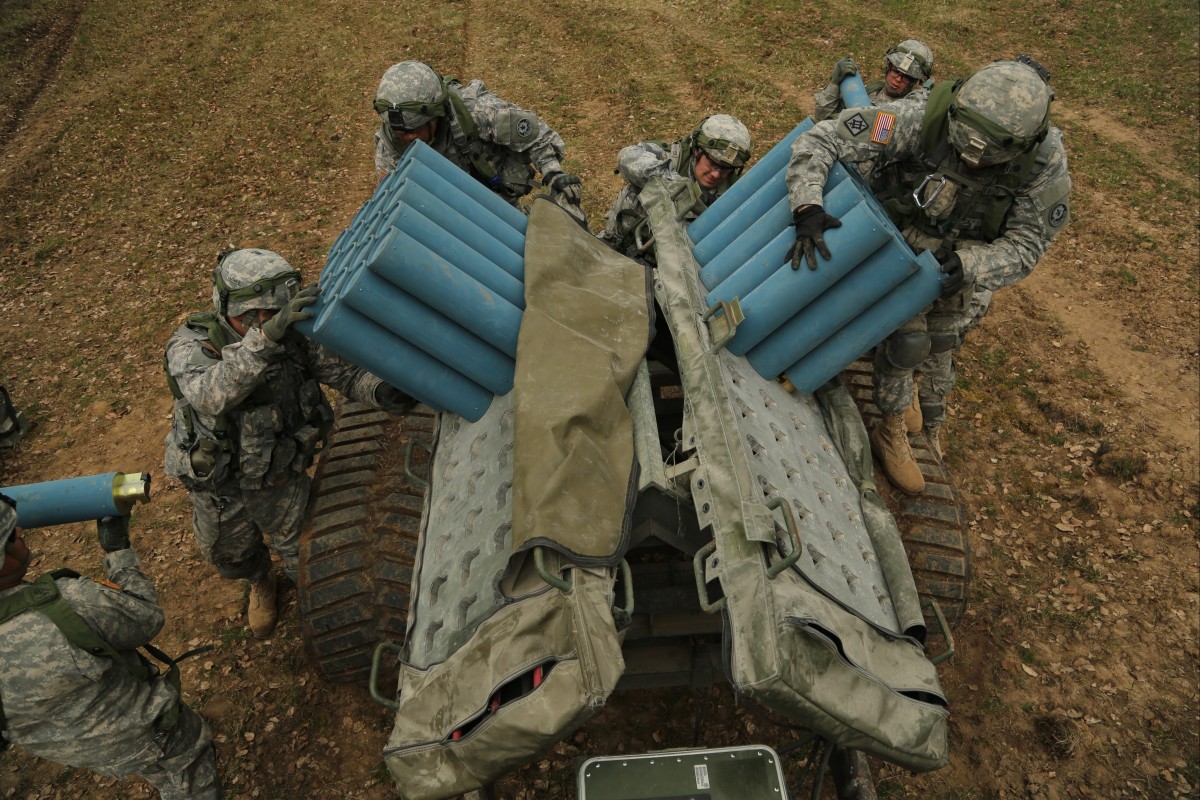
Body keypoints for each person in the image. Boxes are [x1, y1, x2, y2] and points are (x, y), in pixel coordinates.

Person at [786, 57, 1071, 494]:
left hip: (955, 265)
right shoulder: (920, 117)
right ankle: (892, 424)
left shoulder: (1043, 162)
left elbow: (1029, 244)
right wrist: (807, 206)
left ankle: (910, 395)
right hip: (890, 243)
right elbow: (824, 138)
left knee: (939, 342)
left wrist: (974, 265)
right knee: (907, 341)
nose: (973, 164)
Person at [163, 248, 414, 637]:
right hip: (220, 484)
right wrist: (265, 340)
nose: (262, 321)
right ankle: (260, 581)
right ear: (224, 305)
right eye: (252, 314)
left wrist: (378, 392)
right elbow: (211, 394)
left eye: (270, 312)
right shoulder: (193, 345)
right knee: (230, 553)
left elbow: (341, 373)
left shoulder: (291, 335)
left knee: (305, 552)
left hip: (279, 472)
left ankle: (310, 596)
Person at [0, 496, 221, 798]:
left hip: (77, 748)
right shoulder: (68, 604)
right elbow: (146, 618)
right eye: (10, 533)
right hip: (146, 734)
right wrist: (118, 552)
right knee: (188, 772)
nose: (21, 530)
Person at [372, 60, 584, 220]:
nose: (409, 137)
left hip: (497, 202)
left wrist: (554, 173)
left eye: (416, 129)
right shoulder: (390, 147)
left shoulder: (475, 111)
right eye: (401, 132)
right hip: (447, 215)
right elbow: (392, 199)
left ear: (435, 115)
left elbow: (537, 135)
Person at [599, 114, 752, 264]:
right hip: (616, 246)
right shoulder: (670, 158)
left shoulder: (734, 194)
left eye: (726, 169)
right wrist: (675, 186)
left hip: (667, 270)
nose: (716, 174)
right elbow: (627, 157)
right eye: (713, 162)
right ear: (697, 150)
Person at [812, 39, 935, 122]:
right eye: (895, 71)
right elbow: (821, 116)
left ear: (915, 82)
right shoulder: (870, 91)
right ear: (888, 67)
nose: (898, 79)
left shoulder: (905, 111)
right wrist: (834, 83)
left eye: (907, 77)